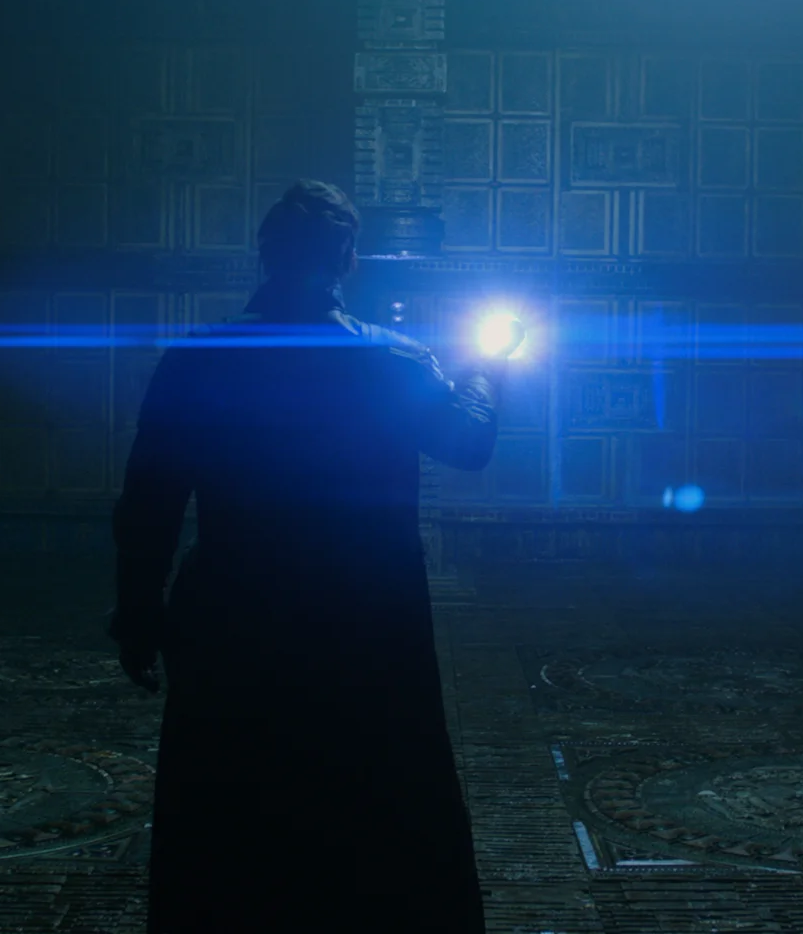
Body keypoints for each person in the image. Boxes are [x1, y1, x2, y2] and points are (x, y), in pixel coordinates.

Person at [108, 180, 513, 932]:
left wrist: (138, 610)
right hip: (365, 618)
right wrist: (488, 366)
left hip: (235, 611)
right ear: (347, 258)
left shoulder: (197, 360)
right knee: (375, 791)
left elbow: (150, 500)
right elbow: (470, 445)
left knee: (229, 801)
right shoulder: (393, 359)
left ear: (264, 254)